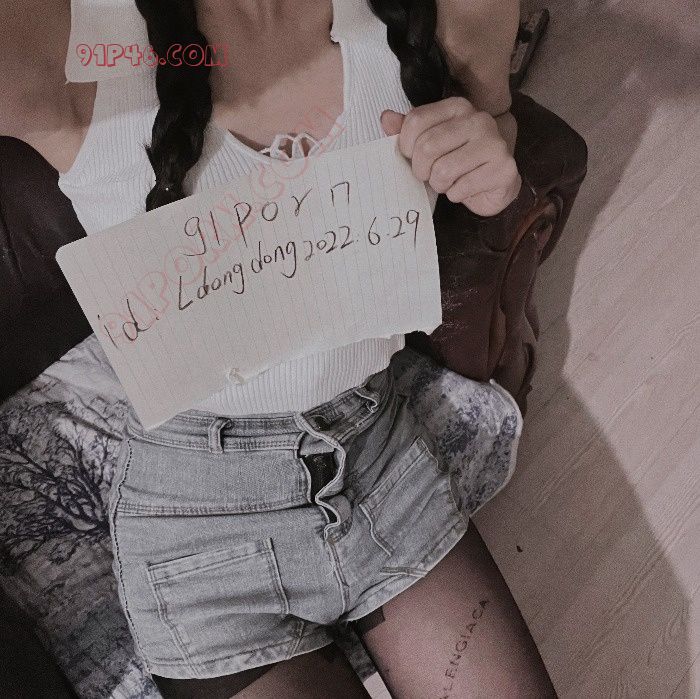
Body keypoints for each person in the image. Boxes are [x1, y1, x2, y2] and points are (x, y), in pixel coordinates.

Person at [1, 0, 557, 696]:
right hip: (196, 526)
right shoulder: (73, 37)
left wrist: (492, 166)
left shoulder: (449, 9)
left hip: (379, 453)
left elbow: (495, 122)